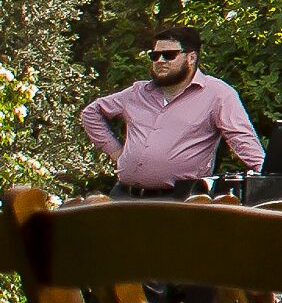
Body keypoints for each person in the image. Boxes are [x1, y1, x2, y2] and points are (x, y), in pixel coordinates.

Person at [84, 24, 261, 195]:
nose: (160, 61)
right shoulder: (137, 93)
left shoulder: (217, 94)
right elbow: (91, 113)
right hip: (126, 194)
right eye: (155, 56)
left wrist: (269, 174)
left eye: (169, 55)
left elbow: (241, 137)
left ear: (191, 58)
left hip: (180, 199)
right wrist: (116, 152)